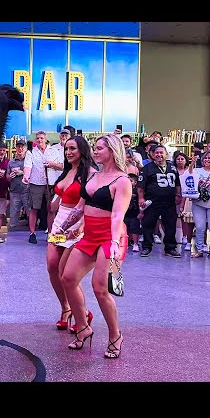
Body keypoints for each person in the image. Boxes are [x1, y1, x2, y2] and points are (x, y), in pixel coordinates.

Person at [55, 134, 131, 359]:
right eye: (95, 148)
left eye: (99, 149)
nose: (95, 152)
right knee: (67, 278)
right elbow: (80, 207)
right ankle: (83, 326)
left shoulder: (122, 181)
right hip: (89, 235)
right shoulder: (94, 176)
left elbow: (118, 215)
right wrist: (63, 227)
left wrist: (116, 243)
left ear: (112, 151)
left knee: (100, 288)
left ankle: (115, 336)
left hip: (111, 237)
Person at [47, 136, 96, 333]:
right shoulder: (66, 171)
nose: (68, 152)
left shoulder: (91, 174)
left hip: (78, 225)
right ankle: (66, 308)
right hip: (59, 223)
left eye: (73, 148)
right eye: (66, 149)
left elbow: (91, 203)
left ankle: (81, 313)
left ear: (82, 150)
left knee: (66, 273)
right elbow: (59, 195)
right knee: (52, 267)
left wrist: (82, 224)